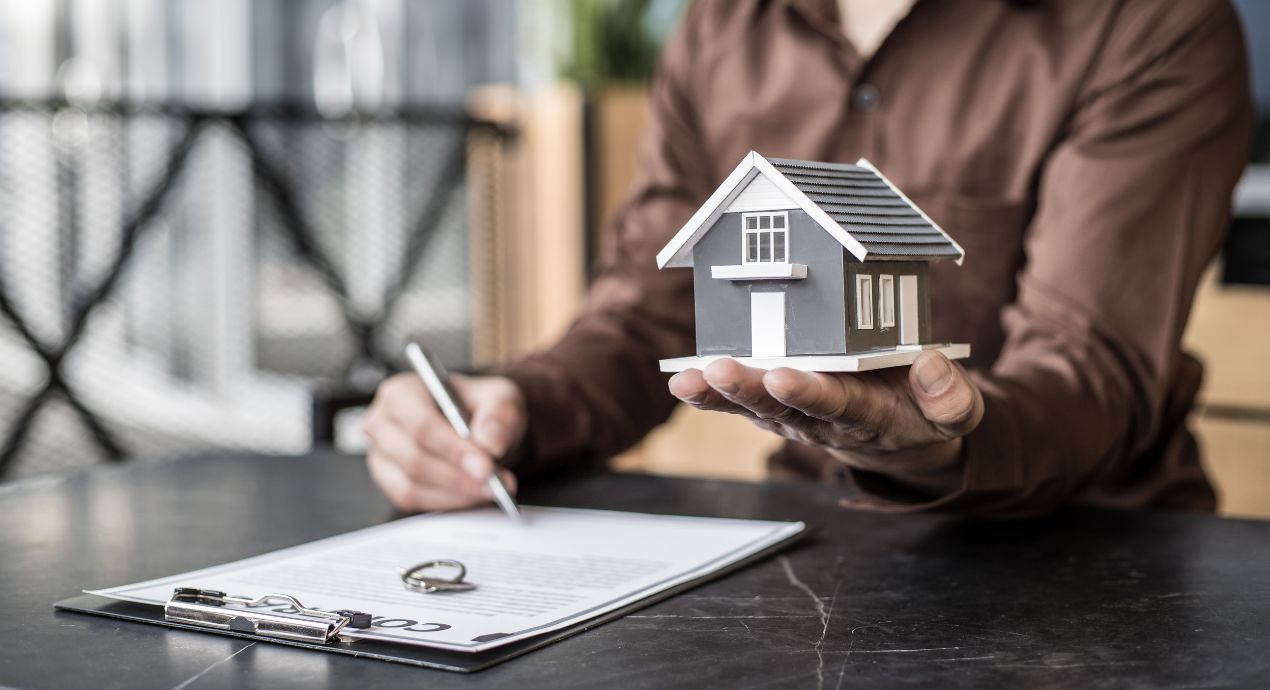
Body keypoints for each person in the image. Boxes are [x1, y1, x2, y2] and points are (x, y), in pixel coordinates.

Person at [362, 0, 1253, 518]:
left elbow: (1090, 365)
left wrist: (928, 444)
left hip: (1096, 571)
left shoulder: (1150, 22)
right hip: (814, 561)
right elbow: (651, 310)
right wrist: (517, 403)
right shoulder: (721, 24)